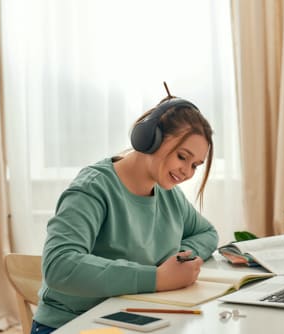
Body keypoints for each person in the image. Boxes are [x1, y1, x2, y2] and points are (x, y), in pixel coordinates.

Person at [31, 90, 219, 333]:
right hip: (72, 324)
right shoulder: (93, 187)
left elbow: (207, 233)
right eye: (183, 157)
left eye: (195, 165)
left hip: (129, 317)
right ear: (149, 138)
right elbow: (59, 265)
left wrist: (178, 260)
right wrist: (157, 278)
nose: (187, 172)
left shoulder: (169, 194)